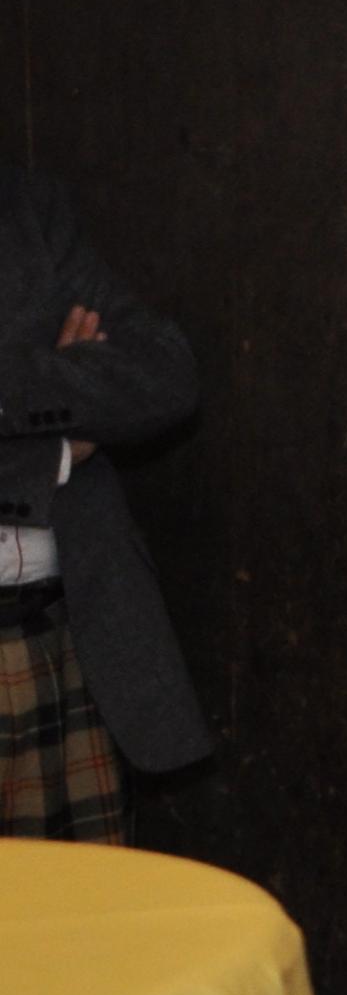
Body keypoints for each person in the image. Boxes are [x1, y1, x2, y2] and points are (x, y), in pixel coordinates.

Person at [0, 166, 211, 839]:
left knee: (85, 903)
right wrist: (57, 448)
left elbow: (167, 374)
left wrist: (24, 390)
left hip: (65, 640)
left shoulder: (25, 202)